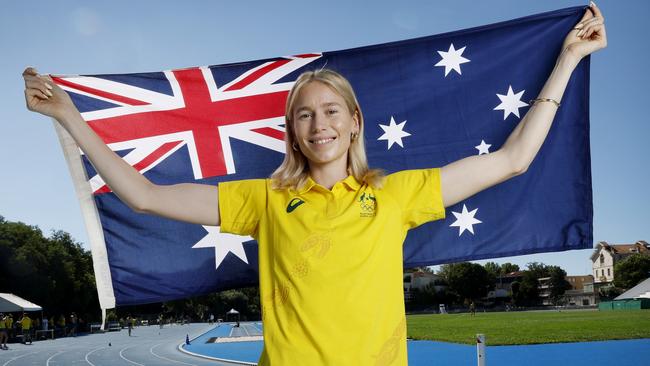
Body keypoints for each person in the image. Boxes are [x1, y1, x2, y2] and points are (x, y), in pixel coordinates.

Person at [23, 4, 606, 365]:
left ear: (354, 122)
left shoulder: (398, 194)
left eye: (331, 111)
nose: (319, 123)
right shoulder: (265, 199)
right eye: (305, 114)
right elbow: (143, 195)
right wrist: (71, 118)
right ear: (292, 132)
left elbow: (513, 160)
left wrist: (569, 59)